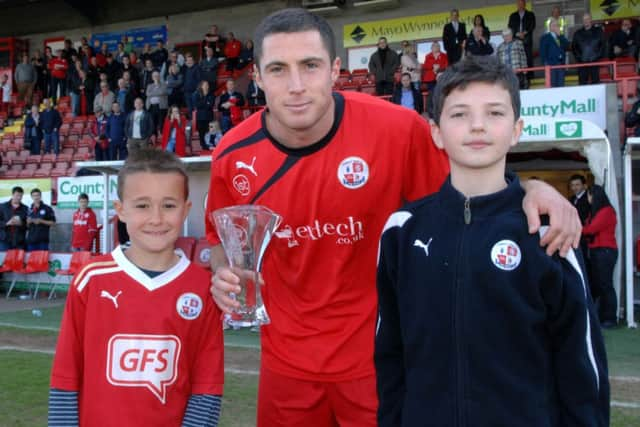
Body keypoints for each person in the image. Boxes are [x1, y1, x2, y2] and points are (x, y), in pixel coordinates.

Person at [206, 9, 581, 426]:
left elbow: (466, 189)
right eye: (278, 69)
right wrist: (222, 275)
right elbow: (220, 244)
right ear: (256, 77)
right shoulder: (232, 155)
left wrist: (530, 186)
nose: (295, 86)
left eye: (309, 66)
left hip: (381, 360)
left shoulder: (397, 129)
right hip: (285, 366)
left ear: (334, 70)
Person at [375, 55, 610, 427]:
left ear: (517, 130)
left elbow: (581, 363)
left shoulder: (547, 231)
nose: (478, 125)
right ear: (436, 131)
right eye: (459, 114)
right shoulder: (402, 231)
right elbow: (391, 354)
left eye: (495, 113)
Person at [49, 149, 224, 427]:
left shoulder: (203, 289)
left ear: (186, 210)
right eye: (142, 205)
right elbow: (65, 378)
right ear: (121, 211)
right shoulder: (91, 280)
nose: (156, 218)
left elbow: (206, 388)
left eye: (169, 205)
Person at [583, 184, 619, 328]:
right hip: (598, 251)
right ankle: (601, 316)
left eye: (589, 195)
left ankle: (610, 318)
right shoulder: (597, 211)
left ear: (593, 195)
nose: (588, 199)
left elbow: (591, 229)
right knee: (600, 285)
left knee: (605, 285)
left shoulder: (606, 211)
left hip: (605, 251)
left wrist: (579, 229)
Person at [508, 0, 536, 86]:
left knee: (527, 59)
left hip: (526, 39)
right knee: (517, 60)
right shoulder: (513, 15)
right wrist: (516, 33)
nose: (520, 5)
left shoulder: (530, 14)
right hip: (516, 40)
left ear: (525, 5)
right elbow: (510, 26)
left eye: (522, 4)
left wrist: (525, 32)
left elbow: (532, 25)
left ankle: (528, 79)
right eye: (518, 4)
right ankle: (518, 79)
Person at [572, 13, 605, 86]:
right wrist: (580, 58)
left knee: (595, 83)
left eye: (587, 19)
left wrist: (597, 56)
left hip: (595, 62)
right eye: (584, 19)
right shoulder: (577, 33)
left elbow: (603, 45)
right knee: (582, 84)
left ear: (591, 20)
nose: (586, 21)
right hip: (582, 63)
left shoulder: (598, 31)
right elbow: (574, 47)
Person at [539, 19, 569, 87]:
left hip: (561, 65)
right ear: (550, 27)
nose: (556, 27)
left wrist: (560, 36)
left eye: (557, 25)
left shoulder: (561, 36)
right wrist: (546, 64)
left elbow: (567, 46)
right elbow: (542, 52)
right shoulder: (545, 37)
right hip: (551, 65)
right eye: (554, 25)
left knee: (561, 85)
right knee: (552, 85)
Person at [145, 70, 168, 135]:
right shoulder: (149, 85)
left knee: (161, 122)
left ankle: (163, 137)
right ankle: (154, 137)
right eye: (154, 76)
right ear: (152, 77)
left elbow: (162, 92)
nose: (156, 77)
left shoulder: (163, 84)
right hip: (151, 106)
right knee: (152, 123)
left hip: (161, 106)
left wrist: (152, 93)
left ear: (159, 77)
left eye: (157, 76)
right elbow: (147, 94)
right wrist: (157, 93)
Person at [194, 81, 215, 150]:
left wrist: (203, 103)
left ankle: (210, 143)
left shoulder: (211, 94)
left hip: (209, 116)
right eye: (205, 85)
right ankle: (203, 145)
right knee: (201, 132)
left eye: (207, 85)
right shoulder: (196, 94)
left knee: (210, 131)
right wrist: (206, 102)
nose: (206, 86)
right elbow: (197, 105)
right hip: (200, 117)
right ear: (201, 86)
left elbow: (211, 105)